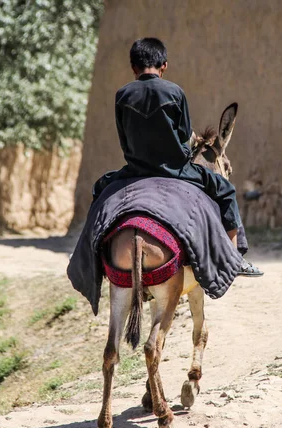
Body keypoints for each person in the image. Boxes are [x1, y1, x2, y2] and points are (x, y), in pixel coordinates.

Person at [92, 37, 263, 277]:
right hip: (175, 169)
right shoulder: (175, 92)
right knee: (225, 190)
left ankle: (94, 257)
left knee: (100, 189)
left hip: (135, 169)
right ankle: (235, 259)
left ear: (133, 67)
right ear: (164, 66)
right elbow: (184, 135)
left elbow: (124, 140)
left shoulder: (122, 95)